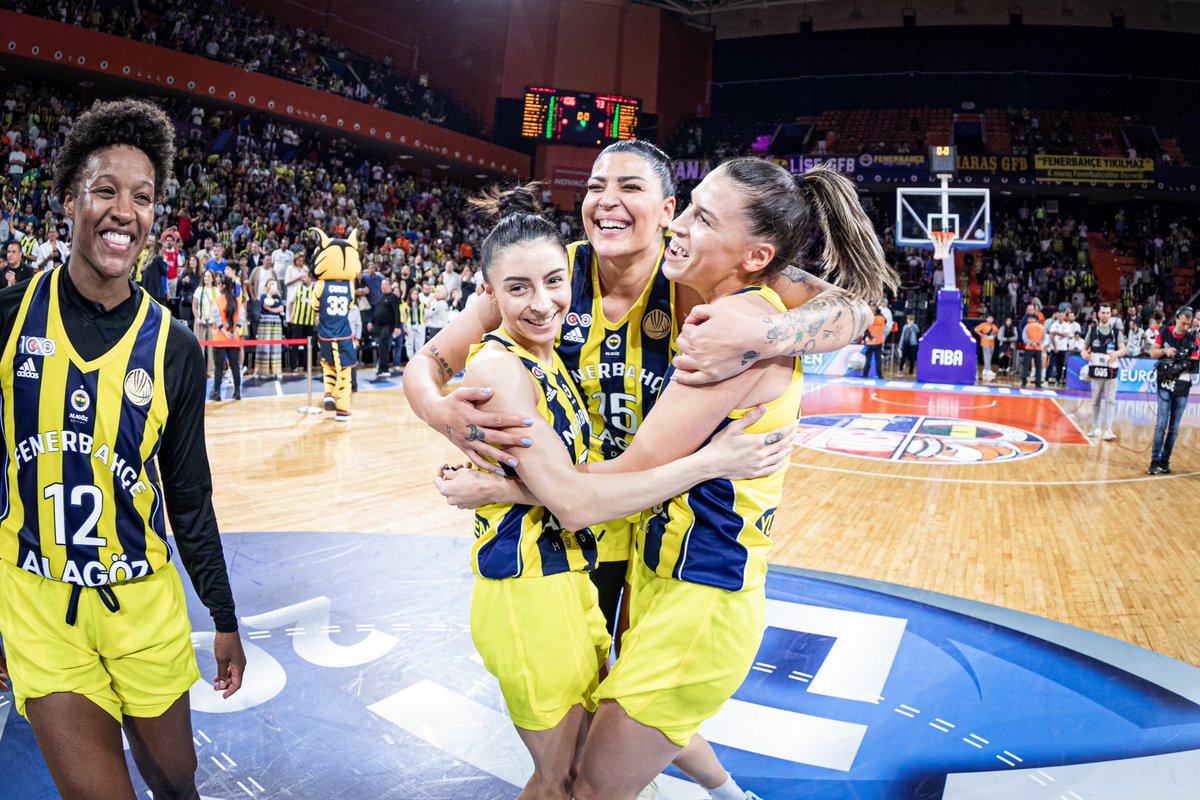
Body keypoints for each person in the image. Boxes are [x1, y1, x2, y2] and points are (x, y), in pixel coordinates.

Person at [406, 140, 874, 648]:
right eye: (594, 186)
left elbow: (853, 309)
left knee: (630, 705)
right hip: (565, 518)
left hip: (649, 520)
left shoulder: (691, 272)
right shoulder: (548, 279)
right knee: (578, 692)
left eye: (630, 187)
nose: (607, 199)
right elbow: (429, 363)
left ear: (668, 210)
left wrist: (763, 336)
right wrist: (438, 411)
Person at [442, 185, 793, 800]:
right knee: (568, 779)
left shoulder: (736, 329)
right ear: (488, 297)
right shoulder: (507, 363)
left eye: (554, 282)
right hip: (536, 583)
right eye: (517, 288)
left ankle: (729, 792)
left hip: (672, 581)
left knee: (584, 774)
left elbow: (851, 306)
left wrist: (504, 488)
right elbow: (576, 494)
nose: (543, 301)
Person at [0, 98, 244, 800]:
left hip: (142, 602)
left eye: (142, 198)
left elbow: (189, 496)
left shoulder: (174, 348)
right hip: (38, 603)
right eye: (105, 190)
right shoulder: (11, 320)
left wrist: (223, 615)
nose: (123, 211)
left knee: (178, 786)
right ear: (69, 204)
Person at [1148, 306, 1198, 475]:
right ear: (1176, 319)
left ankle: (1165, 461)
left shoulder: (1192, 337)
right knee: (1161, 425)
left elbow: (1195, 364)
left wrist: (1188, 360)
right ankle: (1154, 461)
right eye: (1183, 323)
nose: (1186, 327)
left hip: (1183, 387)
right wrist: (1165, 351)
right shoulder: (1165, 332)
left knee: (1174, 428)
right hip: (1165, 383)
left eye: (1188, 324)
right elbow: (1152, 353)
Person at [1081, 303, 1126, 440]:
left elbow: (1124, 349)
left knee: (1110, 400)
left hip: (1110, 371)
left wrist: (1116, 353)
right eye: (1103, 312)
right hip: (1096, 371)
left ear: (1110, 315)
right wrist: (1085, 355)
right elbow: (1083, 348)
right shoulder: (1093, 330)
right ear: (1099, 314)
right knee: (1095, 401)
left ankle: (1108, 430)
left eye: (1107, 313)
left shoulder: (1116, 331)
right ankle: (1096, 428)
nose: (1105, 315)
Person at [210, 273, 243, 401]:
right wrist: (235, 332)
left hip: (220, 340)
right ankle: (237, 392)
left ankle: (217, 393)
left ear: (223, 286)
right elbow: (241, 318)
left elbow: (216, 318)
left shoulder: (217, 300)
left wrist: (224, 332)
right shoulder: (237, 300)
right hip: (234, 339)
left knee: (219, 367)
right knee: (235, 365)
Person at [370, 277, 401, 378]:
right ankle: (381, 368)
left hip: (388, 326)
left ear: (389, 286)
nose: (382, 287)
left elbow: (397, 312)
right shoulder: (380, 297)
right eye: (381, 285)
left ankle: (385, 368)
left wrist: (397, 326)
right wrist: (371, 321)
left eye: (384, 285)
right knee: (381, 346)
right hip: (378, 326)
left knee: (384, 345)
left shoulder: (393, 297)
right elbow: (376, 311)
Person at [256, 278, 285, 380]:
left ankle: (276, 371)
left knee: (275, 347)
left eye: (273, 284)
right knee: (265, 347)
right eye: (270, 284)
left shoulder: (278, 297)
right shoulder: (263, 296)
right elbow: (265, 305)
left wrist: (271, 310)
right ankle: (263, 371)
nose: (272, 285)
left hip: (276, 323)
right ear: (266, 286)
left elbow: (281, 309)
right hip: (265, 323)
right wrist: (269, 295)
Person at [1021, 311, 1045, 389]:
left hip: (1029, 348)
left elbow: (1024, 337)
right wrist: (1037, 344)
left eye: (1029, 318)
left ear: (1031, 319)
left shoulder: (1028, 326)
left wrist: (1031, 343)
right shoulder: (1042, 327)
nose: (1027, 320)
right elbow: (1044, 338)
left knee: (1026, 366)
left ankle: (1024, 382)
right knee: (1038, 367)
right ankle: (1038, 384)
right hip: (1038, 349)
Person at [974, 314, 998, 380]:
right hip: (985, 342)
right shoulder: (983, 324)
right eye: (989, 318)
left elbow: (996, 332)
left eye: (991, 318)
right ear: (987, 319)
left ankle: (985, 369)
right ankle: (988, 370)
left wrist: (993, 336)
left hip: (992, 343)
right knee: (987, 356)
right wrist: (982, 335)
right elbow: (976, 329)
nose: (990, 320)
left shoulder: (994, 326)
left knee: (989, 356)